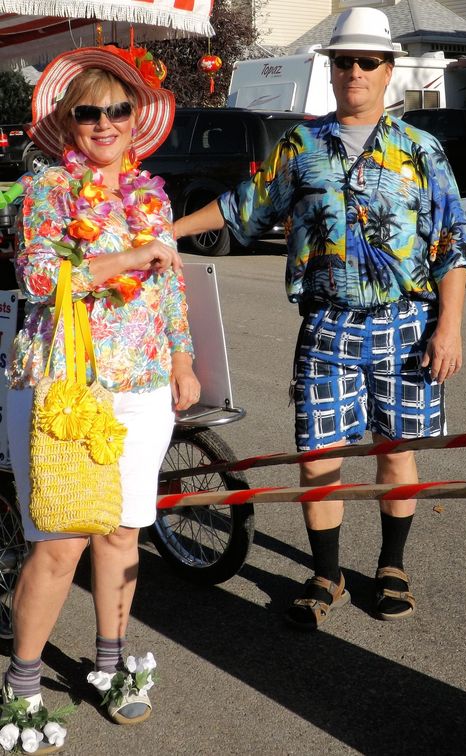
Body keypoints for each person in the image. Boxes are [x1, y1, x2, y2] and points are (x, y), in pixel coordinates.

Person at [172, 6, 466, 631]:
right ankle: (325, 574)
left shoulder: (420, 149)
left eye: (368, 62)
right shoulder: (301, 146)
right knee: (320, 455)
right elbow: (243, 207)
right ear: (331, 71)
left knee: (397, 450)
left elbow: (453, 244)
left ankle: (391, 567)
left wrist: (450, 326)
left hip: (406, 325)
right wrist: (162, 234)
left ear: (389, 70)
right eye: (344, 62)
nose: (355, 72)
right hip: (328, 328)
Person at [2, 44, 200, 748]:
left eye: (118, 109)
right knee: (58, 541)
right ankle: (23, 688)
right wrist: (130, 256)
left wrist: (183, 358)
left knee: (120, 531)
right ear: (68, 120)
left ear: (136, 117)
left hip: (142, 382)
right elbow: (37, 276)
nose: (105, 122)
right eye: (90, 110)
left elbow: (171, 281)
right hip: (62, 382)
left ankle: (109, 667)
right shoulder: (44, 192)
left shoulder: (151, 196)